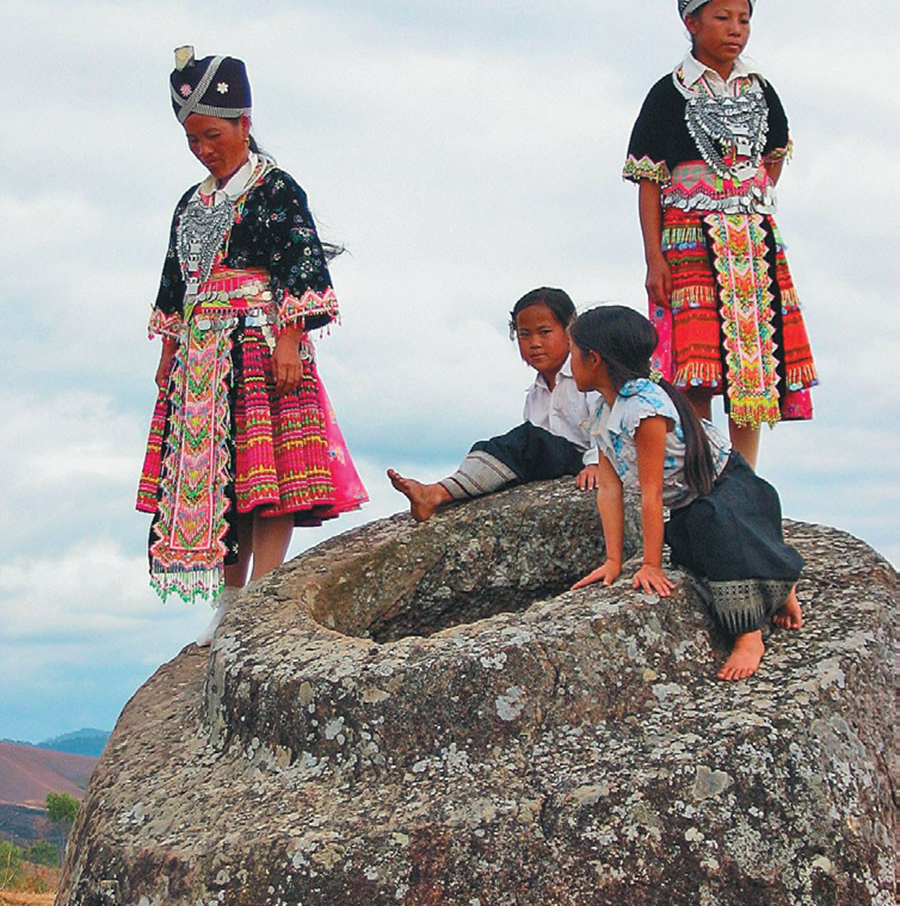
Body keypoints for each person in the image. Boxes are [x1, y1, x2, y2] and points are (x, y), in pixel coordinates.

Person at [136, 47, 367, 642]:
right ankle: (229, 599)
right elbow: (174, 281)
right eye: (193, 140)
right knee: (221, 478)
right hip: (201, 356)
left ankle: (260, 595)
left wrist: (289, 340)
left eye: (212, 135)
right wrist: (169, 353)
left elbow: (300, 265)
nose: (203, 149)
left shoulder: (275, 189)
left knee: (270, 472)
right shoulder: (191, 204)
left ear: (243, 123)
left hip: (260, 341)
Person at [623, 0, 817, 469]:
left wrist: (744, 197)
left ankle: (745, 480)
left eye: (744, 19)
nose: (736, 29)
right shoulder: (669, 94)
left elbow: (773, 156)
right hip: (688, 242)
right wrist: (654, 257)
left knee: (752, 365)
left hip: (751, 243)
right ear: (691, 21)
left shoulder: (761, 90)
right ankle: (703, 471)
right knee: (696, 369)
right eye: (723, 17)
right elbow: (648, 182)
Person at [569, 305, 803, 681]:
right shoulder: (604, 411)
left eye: (573, 352)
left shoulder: (645, 409)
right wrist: (614, 560)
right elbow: (610, 488)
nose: (570, 363)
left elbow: (651, 492)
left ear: (594, 359)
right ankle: (778, 584)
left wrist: (651, 565)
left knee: (722, 544)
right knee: (689, 551)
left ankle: (750, 633)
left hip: (731, 492)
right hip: (691, 502)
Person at [388, 287, 602, 521]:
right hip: (554, 467)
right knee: (492, 449)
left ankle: (436, 493)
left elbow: (604, 425)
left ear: (570, 331)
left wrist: (595, 464)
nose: (534, 343)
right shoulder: (534, 394)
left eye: (545, 332)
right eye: (524, 335)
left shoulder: (588, 377)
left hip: (584, 463)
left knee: (526, 440)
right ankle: (447, 492)